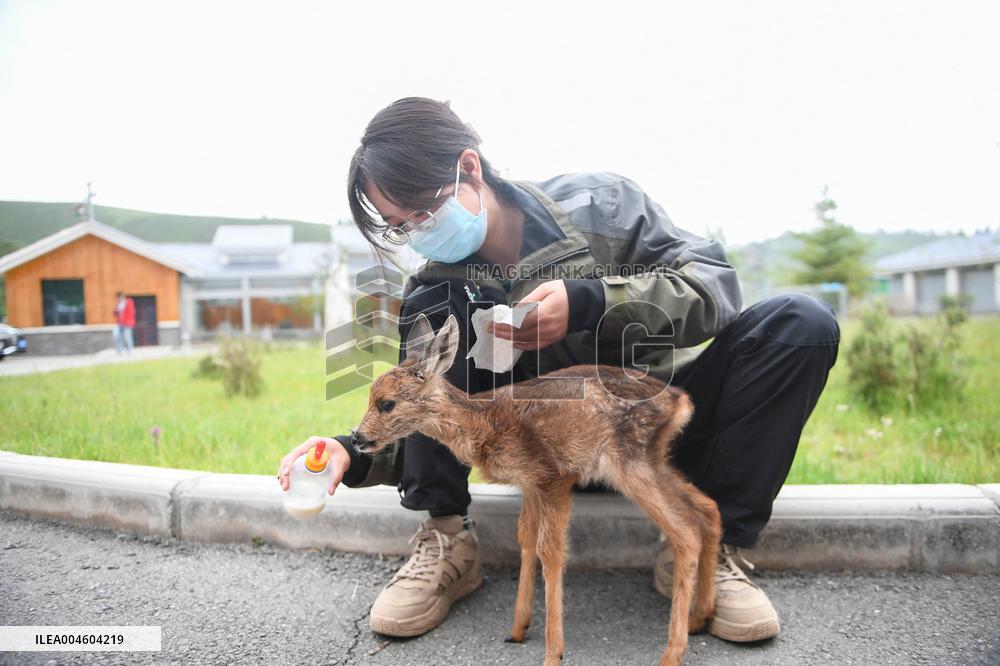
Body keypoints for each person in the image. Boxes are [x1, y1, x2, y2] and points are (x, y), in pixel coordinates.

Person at [277, 97, 840, 644]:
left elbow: (715, 288)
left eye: (423, 212)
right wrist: (353, 450)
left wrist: (592, 300)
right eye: (402, 227)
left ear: (469, 167)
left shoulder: (604, 207)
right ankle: (446, 538)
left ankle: (713, 552)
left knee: (800, 323)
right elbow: (435, 410)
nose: (420, 234)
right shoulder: (440, 285)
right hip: (549, 453)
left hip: (661, 432)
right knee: (437, 303)